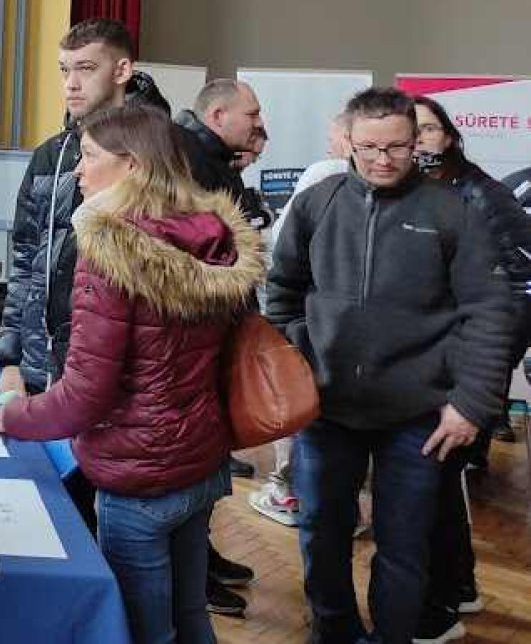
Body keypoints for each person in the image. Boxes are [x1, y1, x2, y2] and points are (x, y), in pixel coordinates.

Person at [0, 105, 265, 644]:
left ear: (134, 167)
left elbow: (86, 395)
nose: (78, 170)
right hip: (200, 463)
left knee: (143, 631)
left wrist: (13, 417)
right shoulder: (212, 235)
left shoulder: (113, 251)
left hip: (139, 479)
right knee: (191, 617)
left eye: (90, 157)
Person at [265, 87, 517, 644]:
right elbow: (280, 293)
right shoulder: (317, 203)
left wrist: (471, 404)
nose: (383, 159)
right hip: (326, 410)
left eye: (397, 147)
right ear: (347, 142)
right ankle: (333, 632)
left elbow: (489, 312)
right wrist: (297, 362)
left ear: (417, 140)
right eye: (370, 147)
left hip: (419, 417)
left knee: (405, 546)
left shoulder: (453, 212)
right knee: (321, 534)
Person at [0, 17, 166, 530]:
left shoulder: (164, 150)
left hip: (127, 392)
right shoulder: (52, 153)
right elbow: (26, 258)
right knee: (55, 524)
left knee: (122, 546)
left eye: (85, 69)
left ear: (123, 70)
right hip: (50, 373)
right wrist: (11, 356)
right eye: (64, 69)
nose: (70, 83)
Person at [409, 94, 531, 644]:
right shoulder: (424, 192)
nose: (418, 140)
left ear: (450, 136)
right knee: (441, 482)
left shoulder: (481, 193)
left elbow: (515, 287)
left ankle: (441, 606)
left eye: (429, 130)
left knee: (435, 483)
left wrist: (480, 379)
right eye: (409, 131)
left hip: (458, 368)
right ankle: (457, 590)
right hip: (432, 363)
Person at [175, 79, 272, 611]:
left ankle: (202, 558)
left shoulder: (214, 161)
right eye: (251, 113)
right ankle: (192, 576)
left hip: (218, 330)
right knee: (196, 464)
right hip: (199, 337)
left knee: (210, 461)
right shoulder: (190, 161)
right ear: (217, 115)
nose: (258, 123)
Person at [250, 112, 353, 528]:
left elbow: (283, 244)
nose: (329, 145)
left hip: (310, 318)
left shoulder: (324, 174)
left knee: (300, 404)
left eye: (333, 137)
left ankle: (289, 493)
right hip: (348, 330)